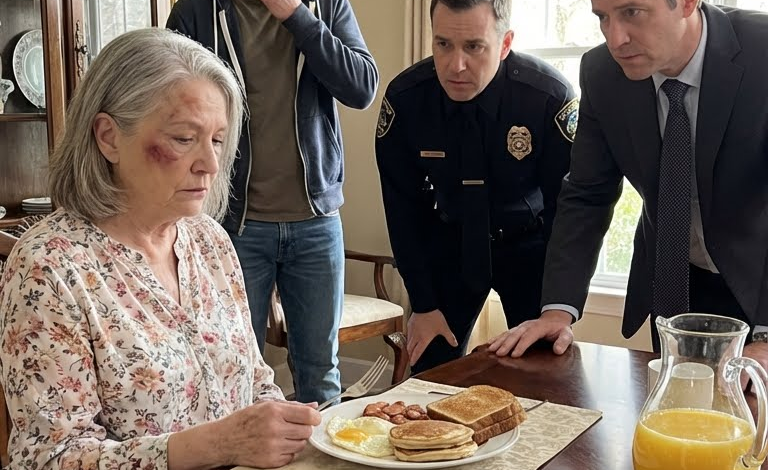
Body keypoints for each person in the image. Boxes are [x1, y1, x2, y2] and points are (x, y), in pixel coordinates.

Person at [0, 28, 321, 470]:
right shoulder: (49, 266)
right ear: (108, 137)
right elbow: (48, 459)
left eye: (218, 140)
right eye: (184, 139)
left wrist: (288, 426)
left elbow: (255, 384)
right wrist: (219, 444)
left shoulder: (210, 240)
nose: (210, 164)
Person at [489, 0, 768, 375]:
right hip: (677, 280)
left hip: (761, 278)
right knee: (676, 418)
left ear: (687, 3)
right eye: (602, 18)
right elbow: (587, 194)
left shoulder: (761, 51)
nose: (615, 38)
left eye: (632, 12)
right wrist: (557, 310)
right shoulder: (602, 72)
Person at [166, 0, 379, 404]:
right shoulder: (196, 11)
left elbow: (362, 87)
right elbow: (167, 105)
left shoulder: (325, 5)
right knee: (234, 372)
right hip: (233, 227)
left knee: (321, 374)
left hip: (316, 221)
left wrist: (297, 16)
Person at [375, 0, 578, 373]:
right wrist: (422, 301)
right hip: (449, 244)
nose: (456, 66)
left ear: (504, 44)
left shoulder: (547, 98)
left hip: (529, 248)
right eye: (443, 45)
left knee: (543, 375)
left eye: (474, 46)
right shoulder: (407, 100)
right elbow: (402, 210)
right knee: (430, 376)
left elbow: (568, 211)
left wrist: (557, 305)